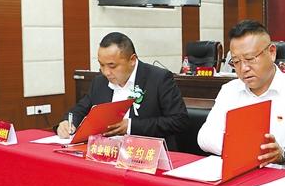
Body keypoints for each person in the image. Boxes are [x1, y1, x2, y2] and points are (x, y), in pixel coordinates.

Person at [198, 20, 285, 166]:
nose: (244, 68)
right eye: (236, 61)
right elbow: (205, 137)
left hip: (283, 175)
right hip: (238, 170)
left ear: (271, 52)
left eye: (250, 59)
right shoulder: (230, 90)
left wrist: (283, 154)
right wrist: (243, 147)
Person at [57, 32, 189, 149]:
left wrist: (130, 126)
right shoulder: (99, 82)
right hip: (106, 153)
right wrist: (68, 122)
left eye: (112, 66)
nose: (106, 72)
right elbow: (79, 110)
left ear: (132, 60)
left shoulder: (158, 79)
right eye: (102, 65)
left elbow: (179, 121)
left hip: (147, 155)